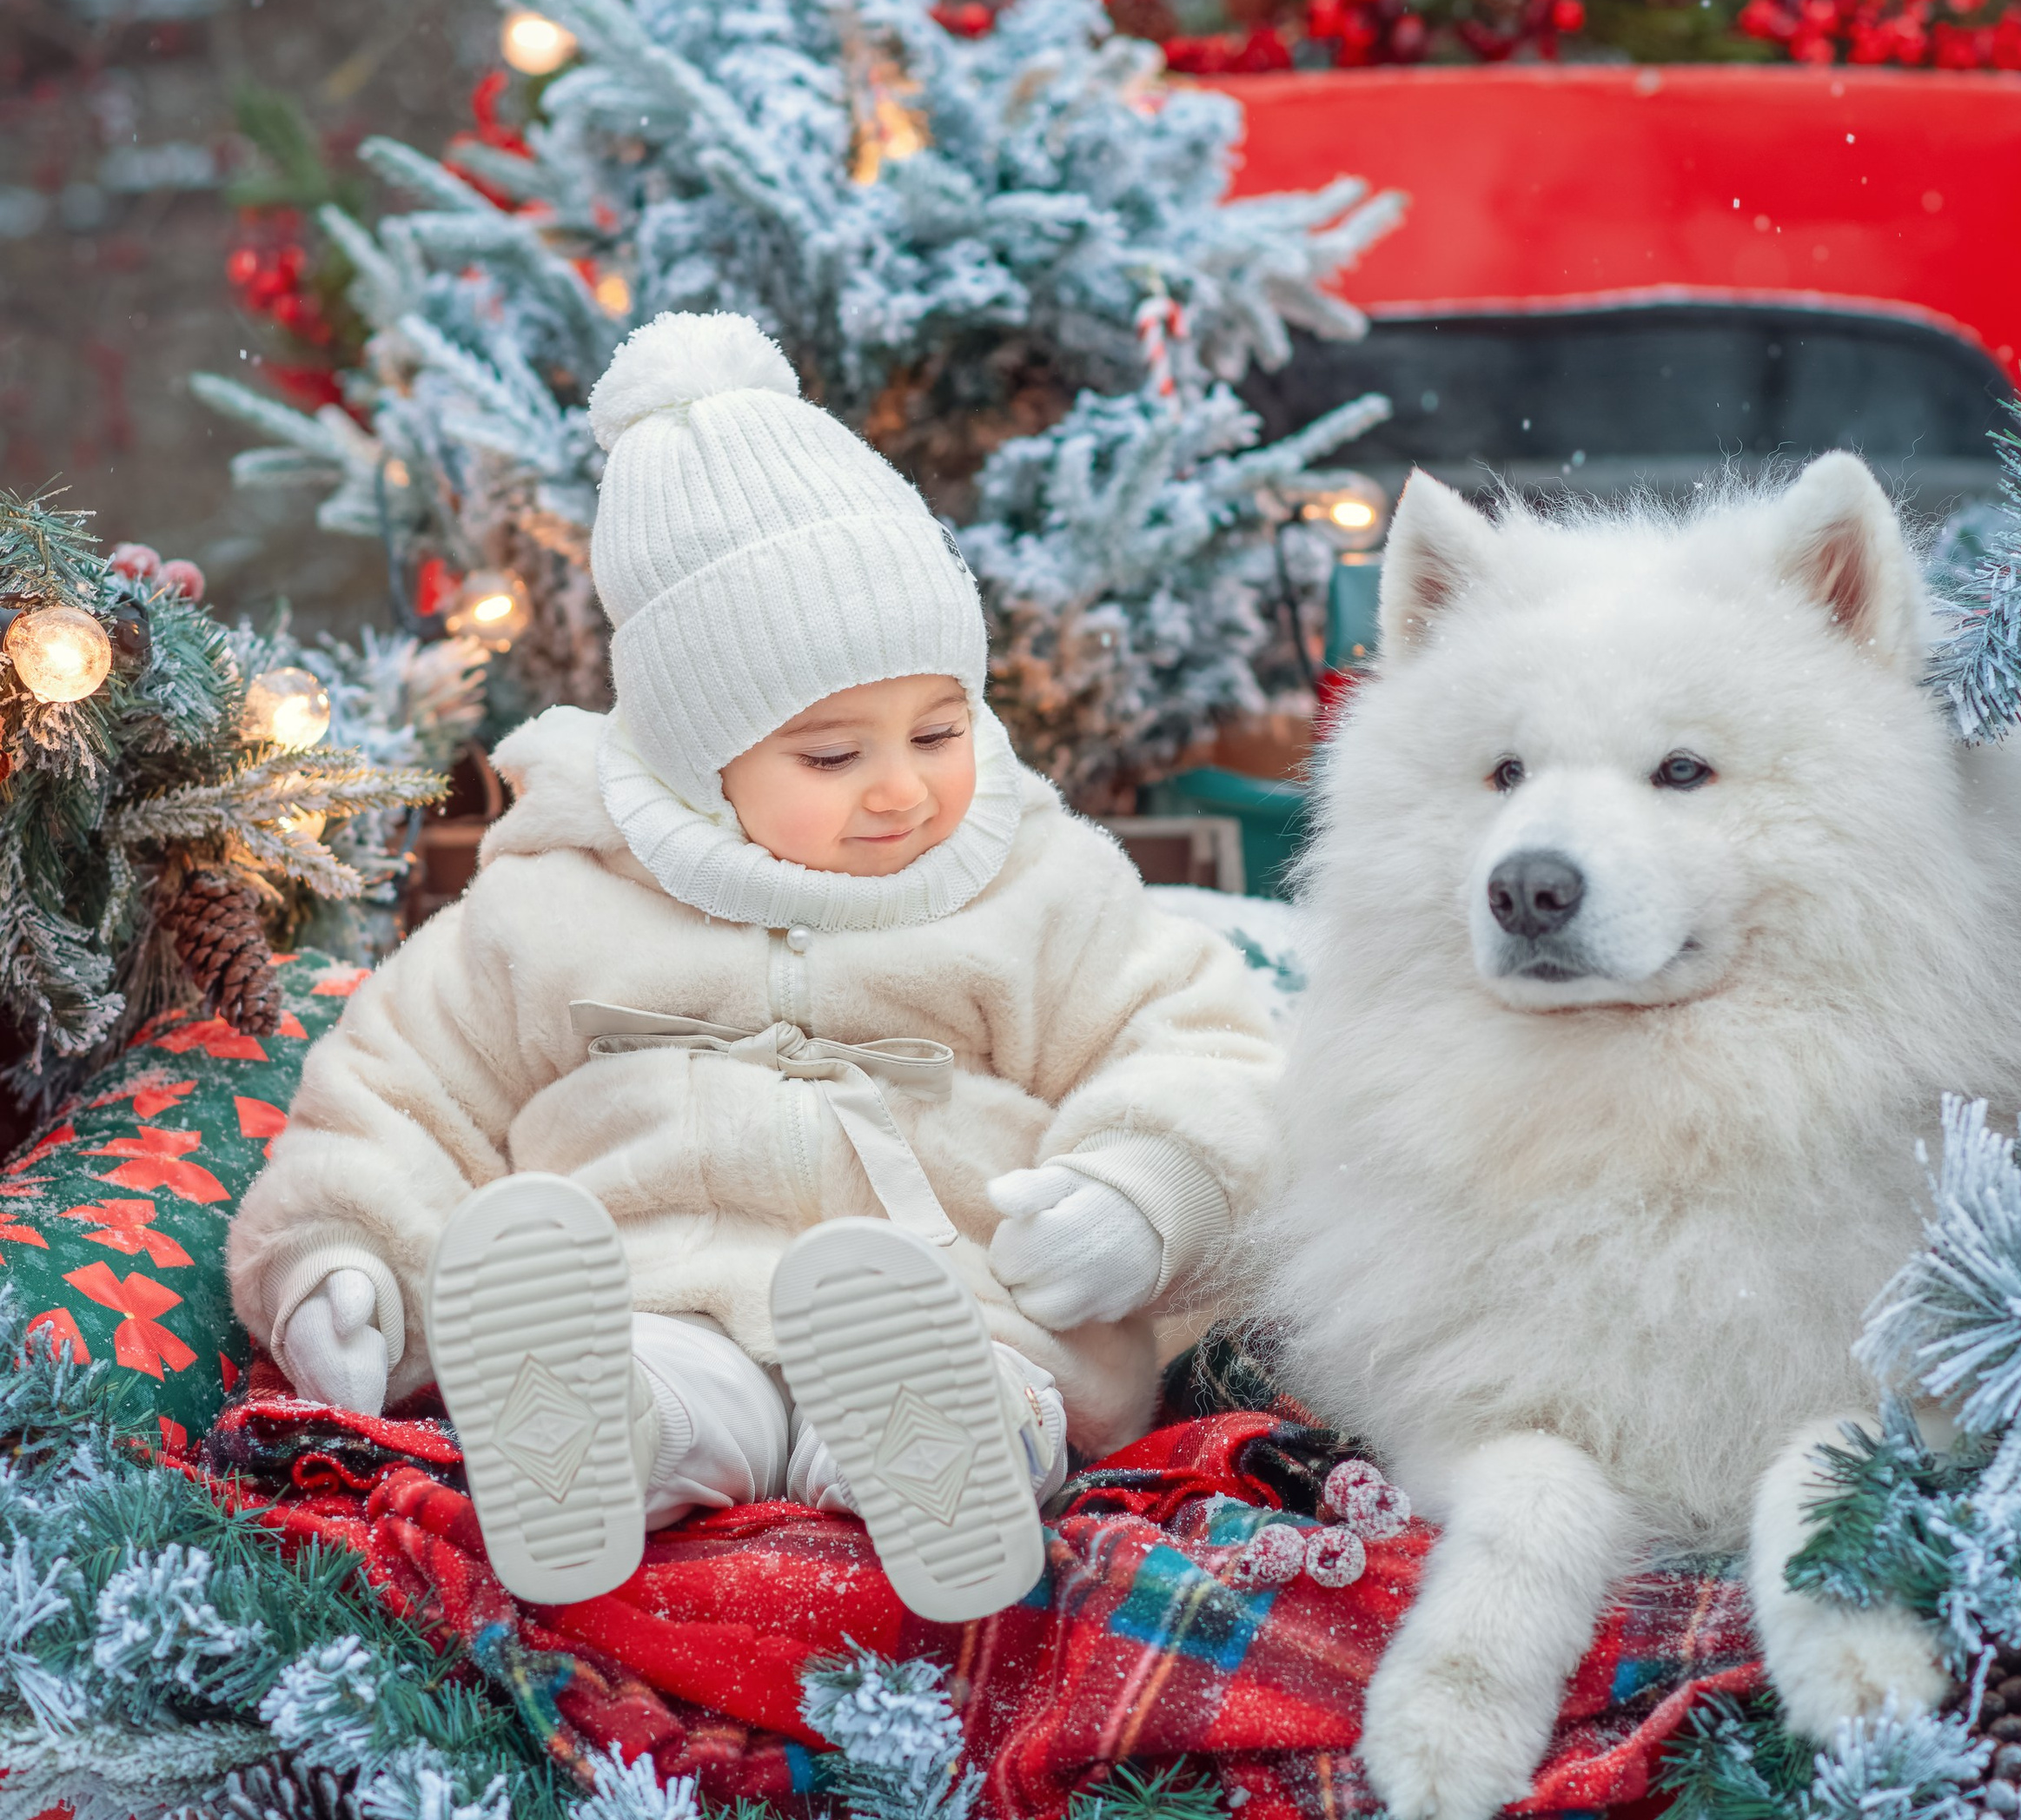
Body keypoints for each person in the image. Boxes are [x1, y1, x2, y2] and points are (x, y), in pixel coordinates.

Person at [229, 311, 1282, 1621]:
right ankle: (601, 1438)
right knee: (656, 1376)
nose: (902, 789)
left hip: (950, 1297)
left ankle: (962, 1463)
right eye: (832, 757)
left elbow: (1205, 1041)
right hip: (655, 1289)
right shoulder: (555, 903)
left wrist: (1147, 1186)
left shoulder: (1037, 884)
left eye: (939, 728)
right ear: (695, 763)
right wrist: (342, 1255)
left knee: (971, 1372)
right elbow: (397, 1087)